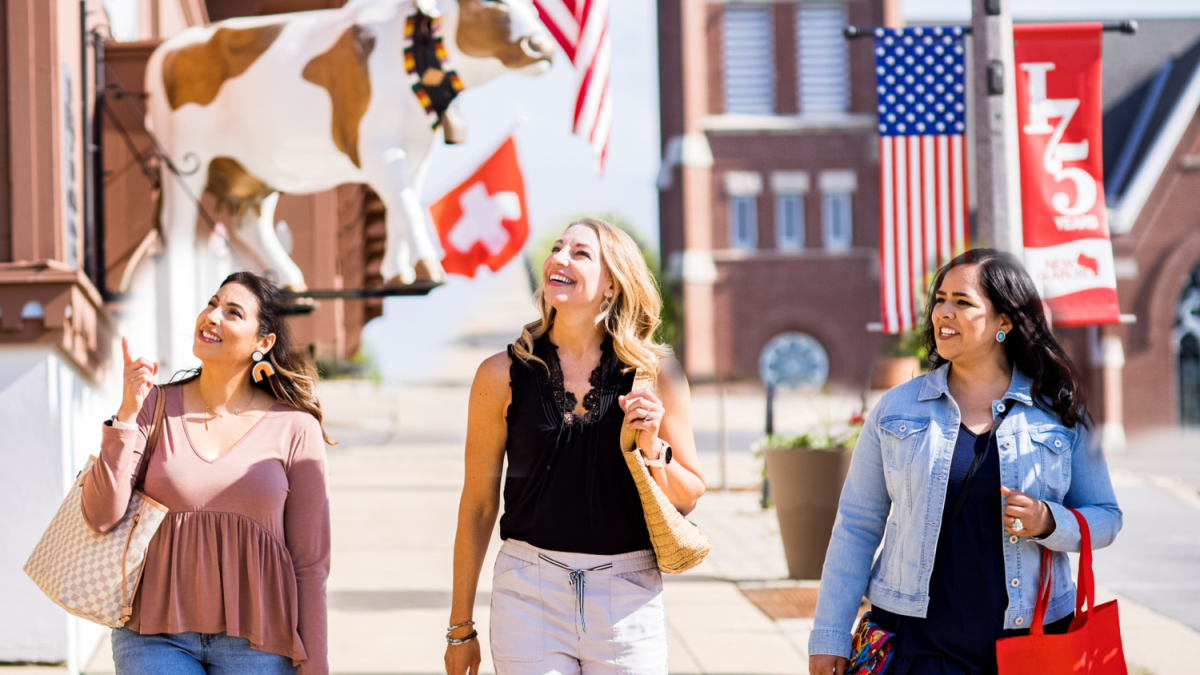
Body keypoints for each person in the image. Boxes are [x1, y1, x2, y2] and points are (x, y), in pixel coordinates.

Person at [808, 249, 1123, 675]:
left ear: (1004, 322)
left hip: (1030, 643)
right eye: (940, 299)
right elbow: (857, 525)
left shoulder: (1058, 413)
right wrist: (829, 634)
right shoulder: (898, 409)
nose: (943, 312)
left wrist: (1049, 522)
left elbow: (1105, 516)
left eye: (963, 302)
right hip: (916, 645)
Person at [443, 218, 706, 675]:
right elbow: (478, 506)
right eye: (557, 248)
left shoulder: (657, 373)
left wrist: (651, 446)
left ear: (612, 285)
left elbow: (688, 495)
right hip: (527, 591)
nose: (558, 258)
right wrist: (460, 627)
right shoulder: (499, 374)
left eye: (580, 253)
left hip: (628, 593)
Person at [83, 271, 333, 675]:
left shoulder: (296, 428)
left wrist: (316, 664)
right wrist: (127, 413)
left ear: (263, 342)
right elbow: (101, 516)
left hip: (260, 641)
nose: (212, 316)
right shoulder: (154, 407)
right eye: (212, 303)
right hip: (152, 636)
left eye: (233, 312)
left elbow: (309, 562)